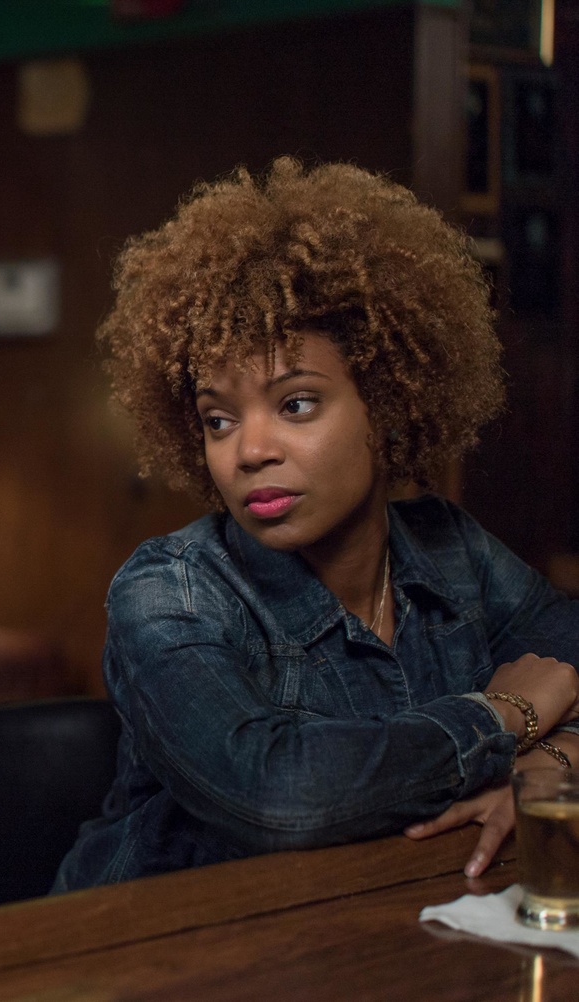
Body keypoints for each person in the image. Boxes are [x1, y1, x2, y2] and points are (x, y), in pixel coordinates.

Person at [52, 158, 579, 892]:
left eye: (295, 404)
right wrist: (501, 716)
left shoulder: (451, 548)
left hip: (380, 928)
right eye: (218, 419)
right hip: (157, 940)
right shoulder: (169, 592)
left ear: (386, 405)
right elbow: (279, 795)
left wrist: (555, 762)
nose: (249, 451)